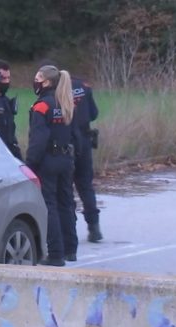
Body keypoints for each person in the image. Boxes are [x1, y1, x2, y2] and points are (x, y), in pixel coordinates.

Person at [26, 65, 79, 266]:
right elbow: (75, 134)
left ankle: (56, 254)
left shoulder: (42, 106)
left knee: (49, 205)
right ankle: (70, 249)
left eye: (38, 77)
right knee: (66, 203)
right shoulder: (65, 103)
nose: (35, 80)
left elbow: (38, 141)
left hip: (48, 161)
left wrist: (29, 164)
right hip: (66, 160)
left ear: (47, 82)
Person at [71, 76, 105, 244]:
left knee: (64, 189)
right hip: (85, 141)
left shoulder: (56, 88)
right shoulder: (83, 86)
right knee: (85, 185)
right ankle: (94, 227)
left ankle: (69, 231)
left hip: (67, 142)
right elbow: (94, 114)